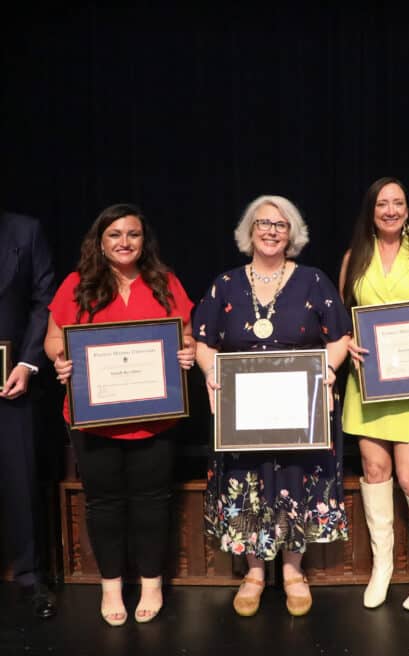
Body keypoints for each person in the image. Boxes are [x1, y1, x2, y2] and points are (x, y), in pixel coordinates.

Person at [193, 195, 351, 617]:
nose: (271, 231)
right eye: (263, 223)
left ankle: (294, 571)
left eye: (280, 225)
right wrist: (212, 374)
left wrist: (330, 370)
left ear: (292, 233)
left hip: (299, 406)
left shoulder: (314, 280)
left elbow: (338, 338)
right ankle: (255, 573)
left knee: (296, 481)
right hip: (242, 409)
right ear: (249, 231)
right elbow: (203, 342)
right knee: (247, 485)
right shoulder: (223, 284)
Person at [44, 203, 195, 626]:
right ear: (100, 241)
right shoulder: (77, 284)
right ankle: (110, 586)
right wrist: (60, 359)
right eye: (115, 235)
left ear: (144, 241)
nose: (124, 242)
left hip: (155, 415)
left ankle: (151, 583)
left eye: (133, 234)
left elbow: (186, 334)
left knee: (152, 502)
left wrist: (187, 353)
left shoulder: (165, 282)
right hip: (93, 417)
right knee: (104, 503)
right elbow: (54, 338)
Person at [339, 177, 409, 611]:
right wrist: (347, 342)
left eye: (397, 203)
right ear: (371, 211)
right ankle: (382, 565)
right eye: (382, 203)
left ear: (407, 209)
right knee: (374, 468)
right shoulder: (355, 257)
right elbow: (345, 319)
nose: (389, 210)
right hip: (368, 382)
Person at [0, 209, 57, 619]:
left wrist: (28, 362)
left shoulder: (25, 229)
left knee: (19, 479)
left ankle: (30, 576)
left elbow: (44, 300)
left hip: (12, 377)